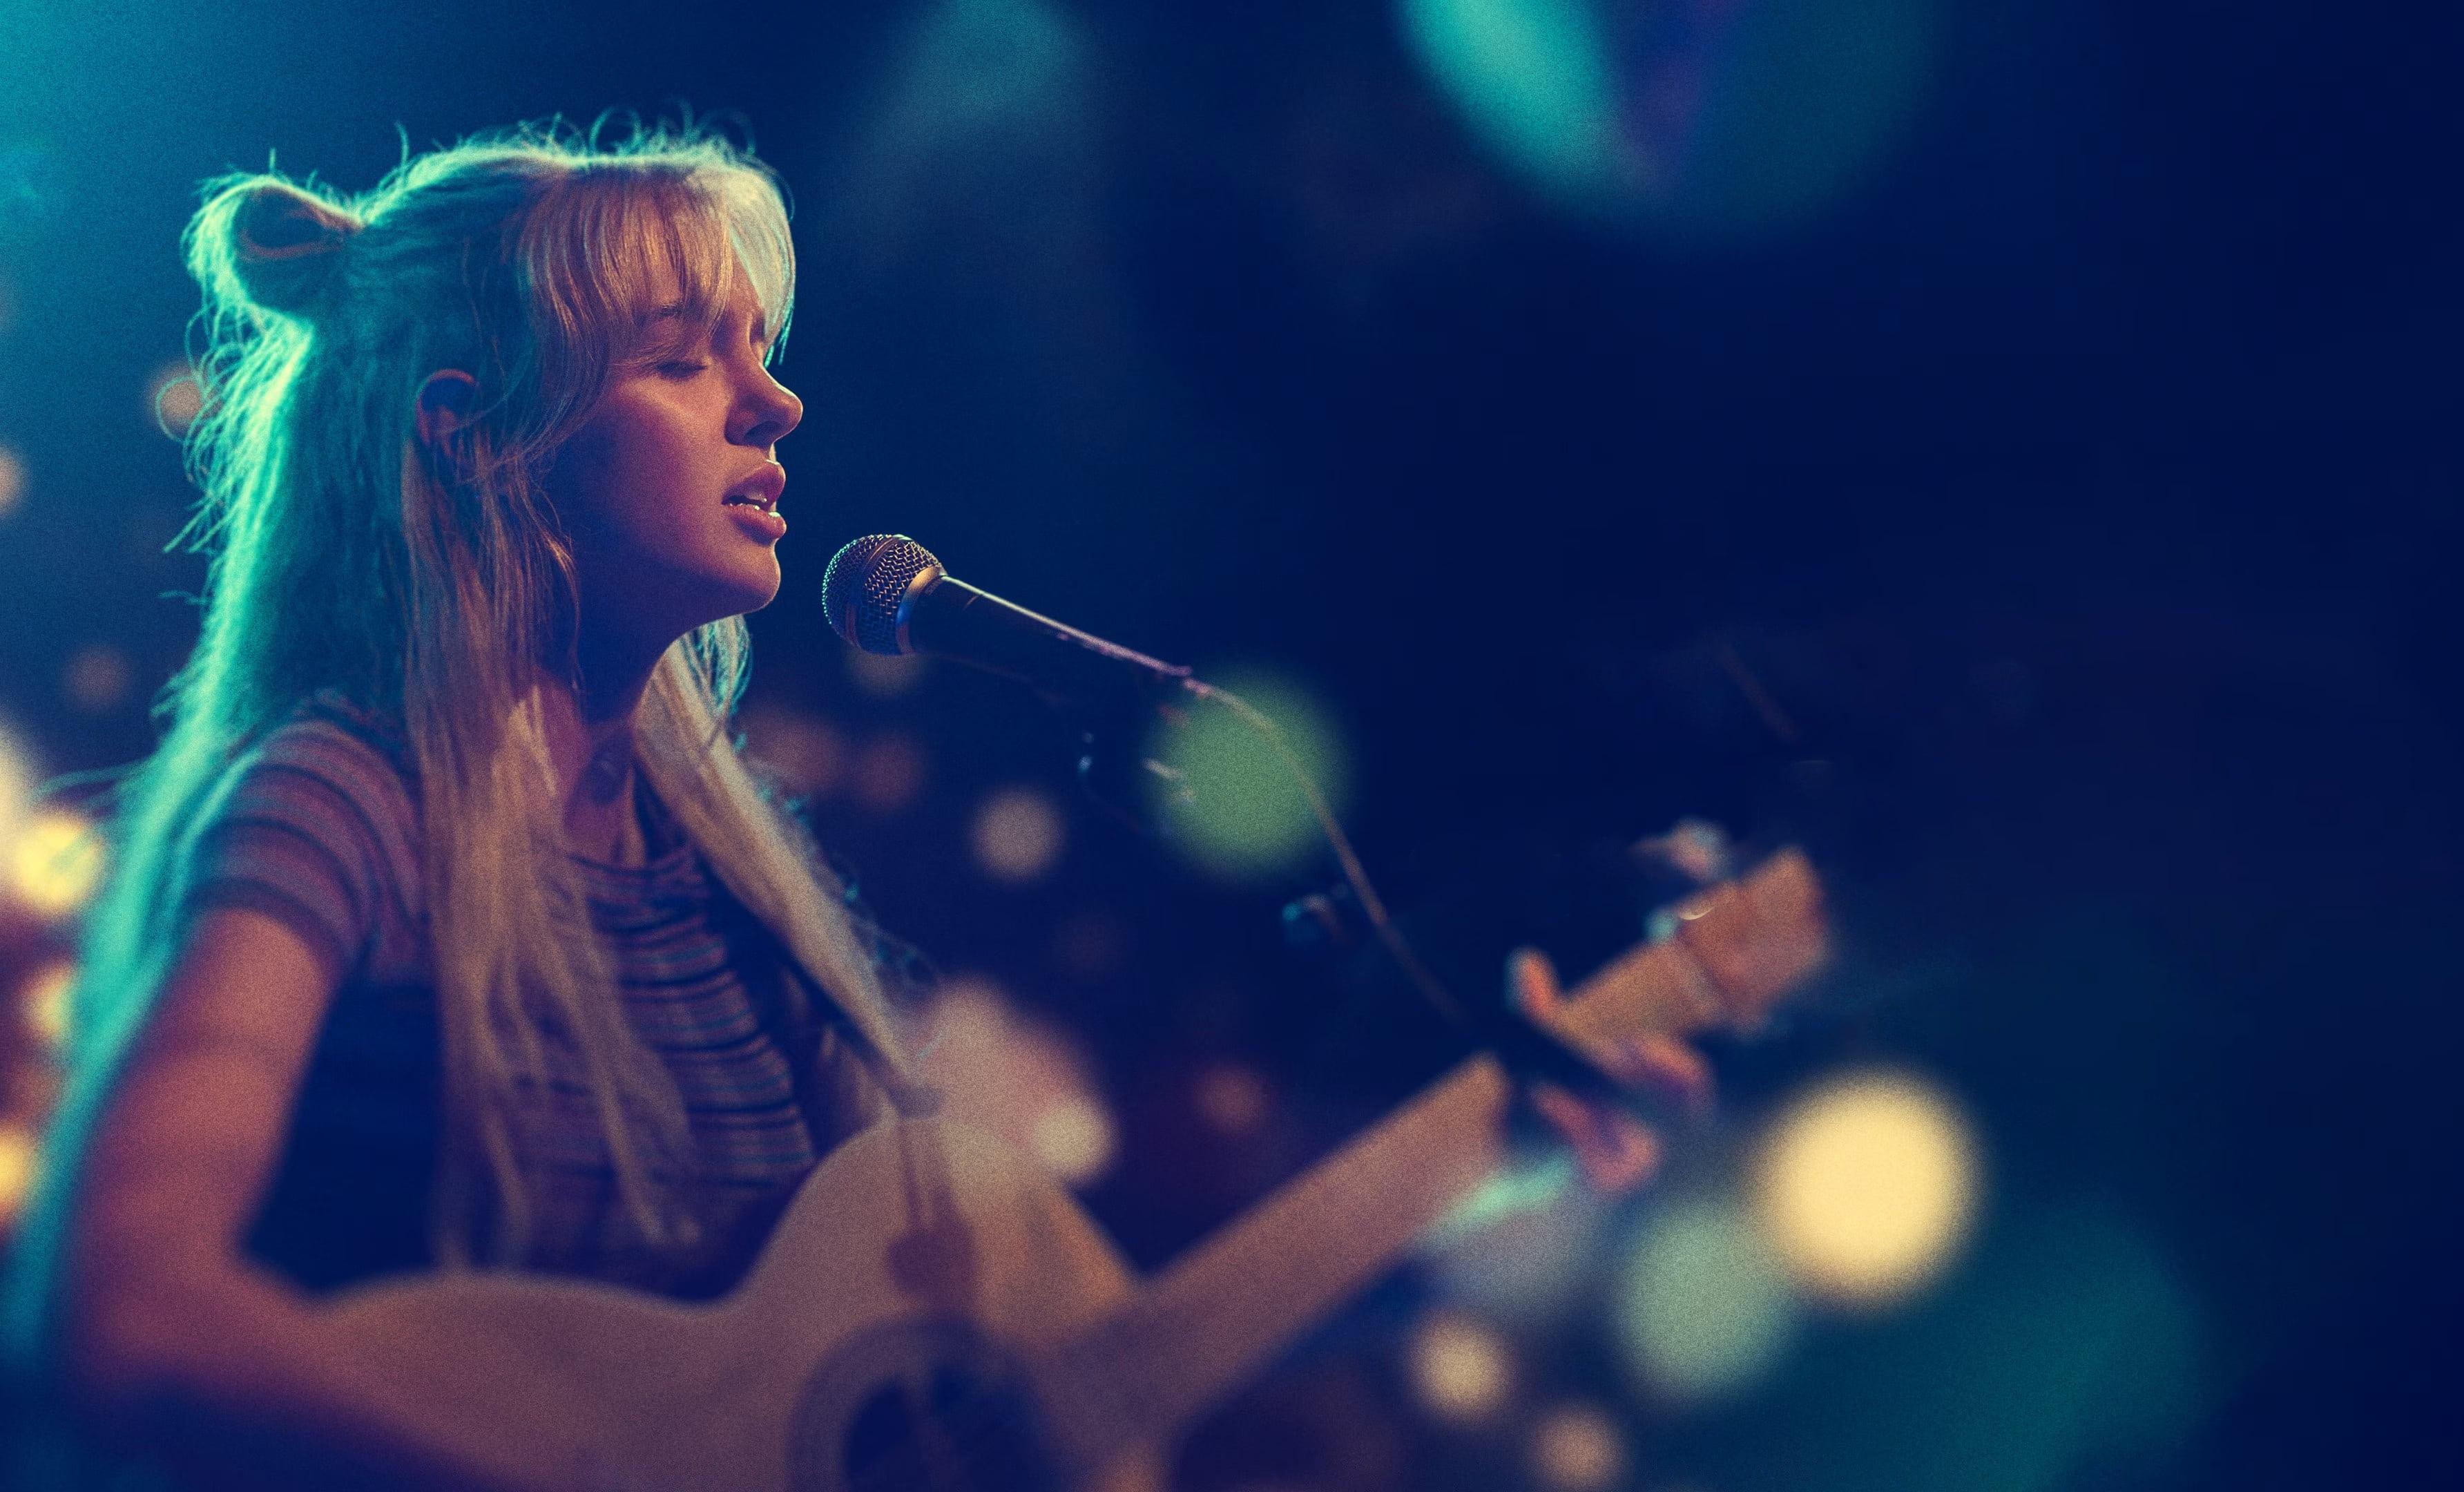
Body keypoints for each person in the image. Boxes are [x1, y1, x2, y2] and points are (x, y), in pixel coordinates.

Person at [1, 121, 1702, 1491]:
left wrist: (1490, 1180)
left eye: (759, 350)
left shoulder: (715, 870)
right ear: (477, 443)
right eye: (682, 359)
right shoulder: (338, 801)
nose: (776, 402)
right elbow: (124, 1314)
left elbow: (1036, 1391)